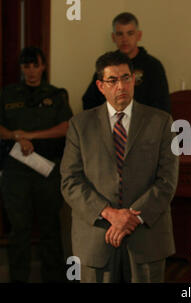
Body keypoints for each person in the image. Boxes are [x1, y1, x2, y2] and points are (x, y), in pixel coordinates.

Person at [60, 51, 178, 283]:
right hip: (96, 238)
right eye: (112, 80)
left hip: (146, 238)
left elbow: (167, 180)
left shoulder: (162, 122)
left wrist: (131, 218)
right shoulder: (80, 125)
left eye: (126, 78)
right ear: (100, 86)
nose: (121, 85)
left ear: (134, 80)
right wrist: (110, 214)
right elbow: (70, 181)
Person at [0, 47, 72, 282]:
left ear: (43, 66)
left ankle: (53, 278)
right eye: (26, 66)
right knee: (18, 230)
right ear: (21, 68)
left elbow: (66, 127)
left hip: (47, 170)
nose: (31, 71)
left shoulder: (57, 94)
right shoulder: (7, 95)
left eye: (35, 65)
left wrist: (31, 137)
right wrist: (16, 137)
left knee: (50, 229)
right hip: (15, 172)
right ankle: (18, 278)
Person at [82, 12, 170, 113]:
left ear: (139, 35)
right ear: (113, 37)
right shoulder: (107, 66)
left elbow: (162, 106)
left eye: (130, 33)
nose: (125, 39)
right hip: (110, 124)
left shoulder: (153, 66)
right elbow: (89, 101)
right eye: (120, 34)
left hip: (145, 123)